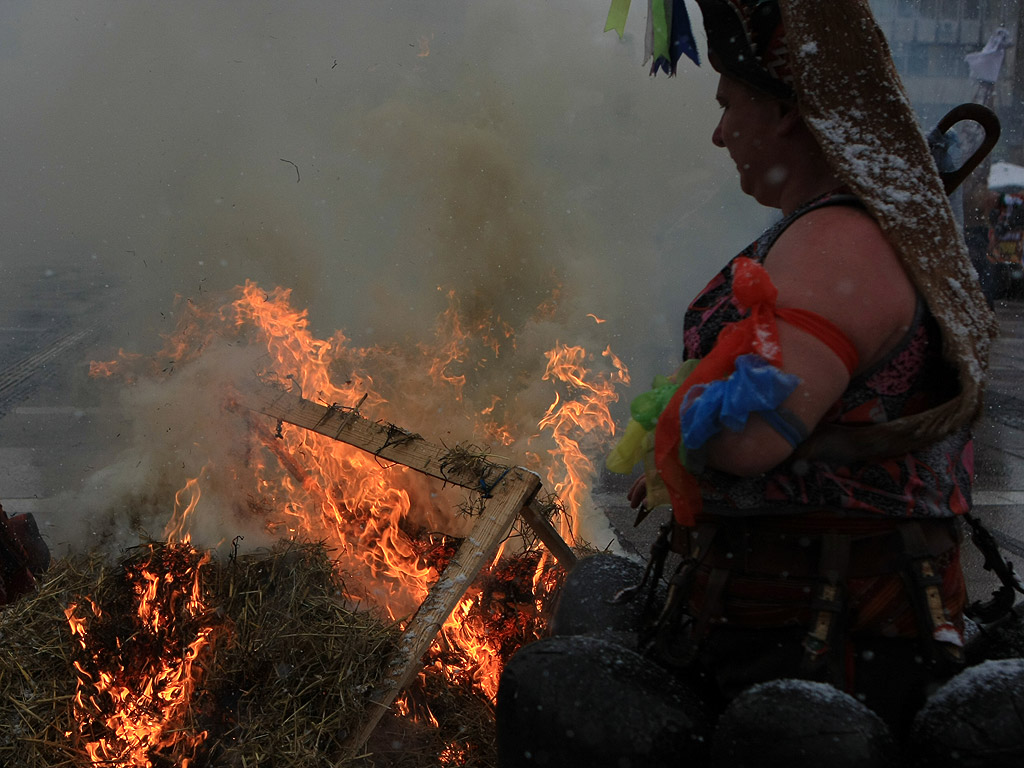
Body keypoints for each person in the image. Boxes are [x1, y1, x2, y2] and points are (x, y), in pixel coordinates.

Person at [496, 2, 1020, 766]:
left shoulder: (839, 243)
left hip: (819, 650)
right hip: (795, 626)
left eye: (726, 105)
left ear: (781, 112)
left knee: (556, 689)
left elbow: (746, 440)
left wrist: (679, 437)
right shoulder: (837, 227)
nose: (717, 133)